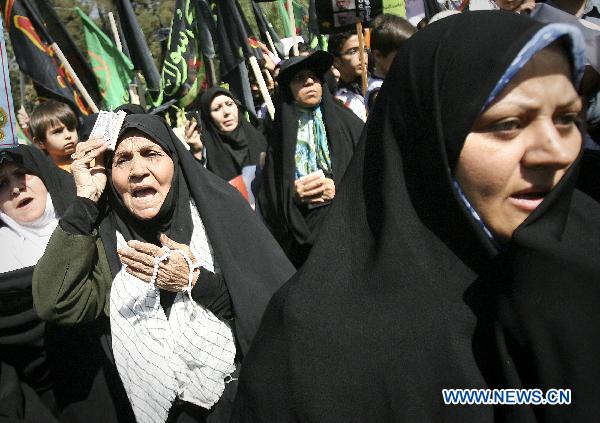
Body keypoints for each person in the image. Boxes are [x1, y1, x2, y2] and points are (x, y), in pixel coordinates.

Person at [232, 11, 600, 421]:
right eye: (508, 124)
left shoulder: (586, 259)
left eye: (567, 118)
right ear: (427, 140)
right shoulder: (316, 346)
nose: (555, 152)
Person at [32, 114, 295, 422]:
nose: (138, 171)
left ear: (175, 160)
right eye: (122, 160)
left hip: (246, 400)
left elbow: (273, 309)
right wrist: (86, 202)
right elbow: (55, 301)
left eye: (151, 154)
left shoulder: (219, 213)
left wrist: (194, 281)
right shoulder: (107, 243)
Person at [0, 145, 132, 422]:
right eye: (1, 184)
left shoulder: (96, 216)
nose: (15, 189)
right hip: (72, 403)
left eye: (22, 174)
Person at [259, 51, 363, 268]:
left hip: (350, 231)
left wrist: (339, 190)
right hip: (305, 244)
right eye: (299, 78)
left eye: (314, 76)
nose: (309, 82)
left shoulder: (348, 123)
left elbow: (370, 170)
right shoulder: (279, 138)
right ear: (288, 89)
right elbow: (270, 199)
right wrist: (293, 196)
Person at [199, 87, 268, 181]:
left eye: (229, 104)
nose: (227, 112)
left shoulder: (259, 139)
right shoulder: (207, 157)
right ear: (209, 118)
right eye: (217, 108)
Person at [366, 14, 416, 110]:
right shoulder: (379, 92)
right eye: (402, 55)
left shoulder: (394, 81)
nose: (409, 60)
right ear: (378, 55)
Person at [329, 31, 369, 121]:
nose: (362, 56)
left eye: (365, 50)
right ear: (336, 61)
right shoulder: (333, 97)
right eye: (353, 51)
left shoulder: (377, 87)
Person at [29, 100, 79, 172]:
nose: (68, 135)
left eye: (71, 128)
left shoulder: (91, 159)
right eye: (58, 132)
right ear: (40, 142)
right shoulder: (48, 176)